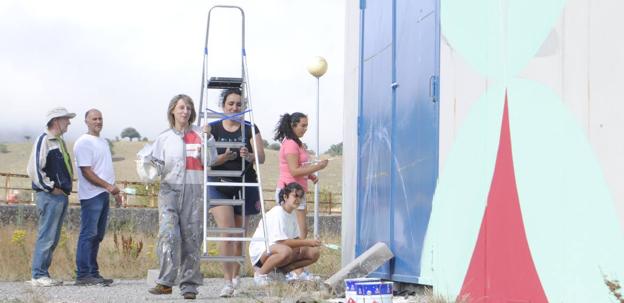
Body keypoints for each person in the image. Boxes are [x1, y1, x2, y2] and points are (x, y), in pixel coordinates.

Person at [147, 94, 219, 300]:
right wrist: (148, 167)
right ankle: (165, 281)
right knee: (168, 234)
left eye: (188, 108)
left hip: (195, 190)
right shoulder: (163, 138)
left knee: (192, 238)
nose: (185, 111)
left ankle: (189, 285)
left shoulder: (201, 133)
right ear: (172, 111)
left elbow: (210, 160)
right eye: (181, 107)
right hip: (169, 189)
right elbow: (156, 166)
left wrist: (209, 140)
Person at [208, 88, 266, 297]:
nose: (234, 108)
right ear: (223, 106)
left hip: (245, 183)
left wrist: (249, 155)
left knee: (240, 234)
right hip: (219, 183)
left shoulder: (250, 128)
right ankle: (227, 282)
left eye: (238, 104)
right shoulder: (211, 128)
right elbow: (204, 160)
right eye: (230, 103)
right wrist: (220, 159)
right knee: (227, 233)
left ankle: (236, 276)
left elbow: (261, 157)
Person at [273, 112, 328, 280]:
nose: (305, 129)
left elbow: (301, 165)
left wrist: (310, 176)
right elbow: (294, 170)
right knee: (296, 233)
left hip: (298, 192)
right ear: (293, 125)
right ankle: (295, 272)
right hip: (289, 193)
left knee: (301, 231)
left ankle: (296, 271)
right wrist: (318, 167)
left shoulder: (299, 144)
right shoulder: (290, 144)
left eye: (306, 126)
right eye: (302, 125)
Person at [26, 107, 76, 286]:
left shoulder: (59, 142)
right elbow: (33, 169)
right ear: (56, 121)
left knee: (52, 236)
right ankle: (38, 275)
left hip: (60, 196)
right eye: (66, 119)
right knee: (47, 235)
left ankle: (42, 274)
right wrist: (50, 187)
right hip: (50, 196)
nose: (69, 122)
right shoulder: (44, 140)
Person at [73, 109, 122, 286]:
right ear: (86, 121)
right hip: (91, 195)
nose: (98, 121)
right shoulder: (83, 142)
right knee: (89, 234)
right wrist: (108, 186)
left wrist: (113, 192)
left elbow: (105, 169)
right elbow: (86, 171)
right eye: (94, 119)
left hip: (103, 194)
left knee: (97, 235)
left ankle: (93, 272)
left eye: (100, 118)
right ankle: (83, 274)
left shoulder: (102, 142)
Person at [248, 182, 321, 286]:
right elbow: (281, 241)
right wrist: (308, 242)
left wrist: (312, 243)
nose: (298, 199)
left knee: (313, 252)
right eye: (295, 196)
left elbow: (296, 239)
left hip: (276, 250)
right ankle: (260, 274)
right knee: (286, 250)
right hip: (261, 253)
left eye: (300, 197)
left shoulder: (292, 214)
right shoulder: (278, 212)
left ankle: (282, 273)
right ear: (285, 197)